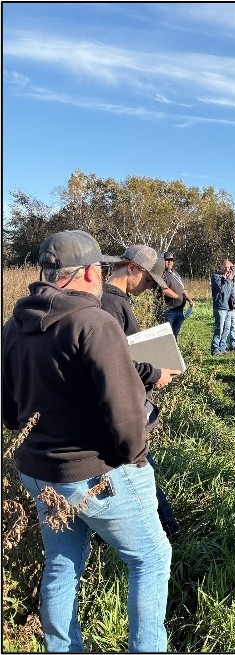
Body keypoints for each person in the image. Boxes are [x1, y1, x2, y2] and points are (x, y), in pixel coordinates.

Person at [1, 230, 172, 652]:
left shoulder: (13, 326)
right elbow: (127, 412)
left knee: (61, 565)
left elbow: (8, 414)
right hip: (98, 474)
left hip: (40, 473)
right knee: (151, 559)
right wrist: (134, 459)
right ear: (92, 271)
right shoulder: (95, 322)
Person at [102, 244, 182, 537]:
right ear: (132, 269)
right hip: (123, 408)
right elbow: (114, 361)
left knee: (143, 468)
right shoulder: (109, 304)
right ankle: (165, 531)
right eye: (149, 281)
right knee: (142, 470)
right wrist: (155, 373)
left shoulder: (116, 300)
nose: (149, 288)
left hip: (128, 400)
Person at [161, 251, 195, 339]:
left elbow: (183, 289)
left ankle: (174, 352)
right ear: (162, 261)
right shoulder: (161, 274)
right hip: (168, 311)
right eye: (167, 260)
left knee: (175, 335)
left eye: (171, 260)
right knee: (166, 337)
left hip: (179, 311)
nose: (170, 262)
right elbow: (164, 290)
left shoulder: (175, 274)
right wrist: (178, 297)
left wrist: (190, 301)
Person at [210, 259, 235, 355]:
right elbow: (222, 290)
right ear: (220, 266)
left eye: (229, 267)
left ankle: (222, 347)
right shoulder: (216, 277)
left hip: (229, 307)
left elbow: (231, 291)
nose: (227, 269)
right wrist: (228, 279)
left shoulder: (230, 277)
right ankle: (215, 348)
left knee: (227, 329)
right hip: (220, 306)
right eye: (225, 267)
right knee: (219, 329)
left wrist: (233, 303)